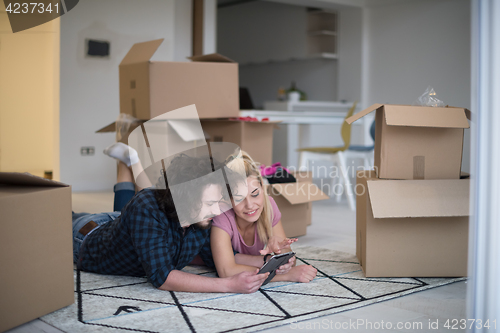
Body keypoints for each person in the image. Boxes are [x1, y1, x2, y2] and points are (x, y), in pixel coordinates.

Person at [72, 142, 269, 293]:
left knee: (125, 213)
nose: (218, 212)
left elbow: (223, 256)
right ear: (187, 199)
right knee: (61, 218)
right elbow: (162, 277)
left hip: (122, 225)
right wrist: (227, 285)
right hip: (87, 234)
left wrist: (267, 260)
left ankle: (127, 163)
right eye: (211, 204)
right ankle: (128, 162)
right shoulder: (146, 208)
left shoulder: (201, 218)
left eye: (218, 202)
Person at [210, 151, 318, 283]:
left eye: (255, 194)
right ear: (228, 200)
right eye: (239, 198)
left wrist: (281, 253)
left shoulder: (269, 205)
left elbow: (289, 258)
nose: (250, 205)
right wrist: (286, 276)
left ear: (263, 188)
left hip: (240, 258)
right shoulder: (222, 213)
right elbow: (226, 271)